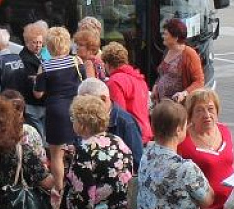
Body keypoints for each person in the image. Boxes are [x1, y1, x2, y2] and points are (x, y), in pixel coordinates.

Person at [34, 26, 84, 189]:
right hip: (76, 109)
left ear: (49, 46)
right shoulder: (77, 61)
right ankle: (78, 184)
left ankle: (59, 189)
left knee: (56, 154)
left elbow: (38, 94)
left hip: (55, 111)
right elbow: (85, 84)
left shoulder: (45, 66)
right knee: (79, 148)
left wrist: (35, 81)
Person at [76, 78, 143, 170]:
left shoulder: (126, 122)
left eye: (88, 105)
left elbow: (137, 162)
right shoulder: (85, 119)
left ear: (103, 99)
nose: (84, 109)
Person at [102, 41, 153, 143]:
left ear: (108, 63)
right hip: (145, 132)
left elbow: (119, 115)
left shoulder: (114, 81)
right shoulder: (139, 78)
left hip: (131, 136)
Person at [152, 18, 204, 104]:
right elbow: (163, 74)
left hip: (178, 107)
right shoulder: (167, 50)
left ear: (175, 38)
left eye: (165, 34)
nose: (163, 36)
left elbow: (199, 81)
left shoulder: (189, 54)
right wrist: (156, 86)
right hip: (162, 104)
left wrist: (184, 94)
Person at [18, 22, 47, 132]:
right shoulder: (26, 59)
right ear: (27, 42)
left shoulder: (37, 56)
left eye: (40, 42)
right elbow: (33, 83)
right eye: (35, 42)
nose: (38, 45)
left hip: (38, 105)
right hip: (33, 105)